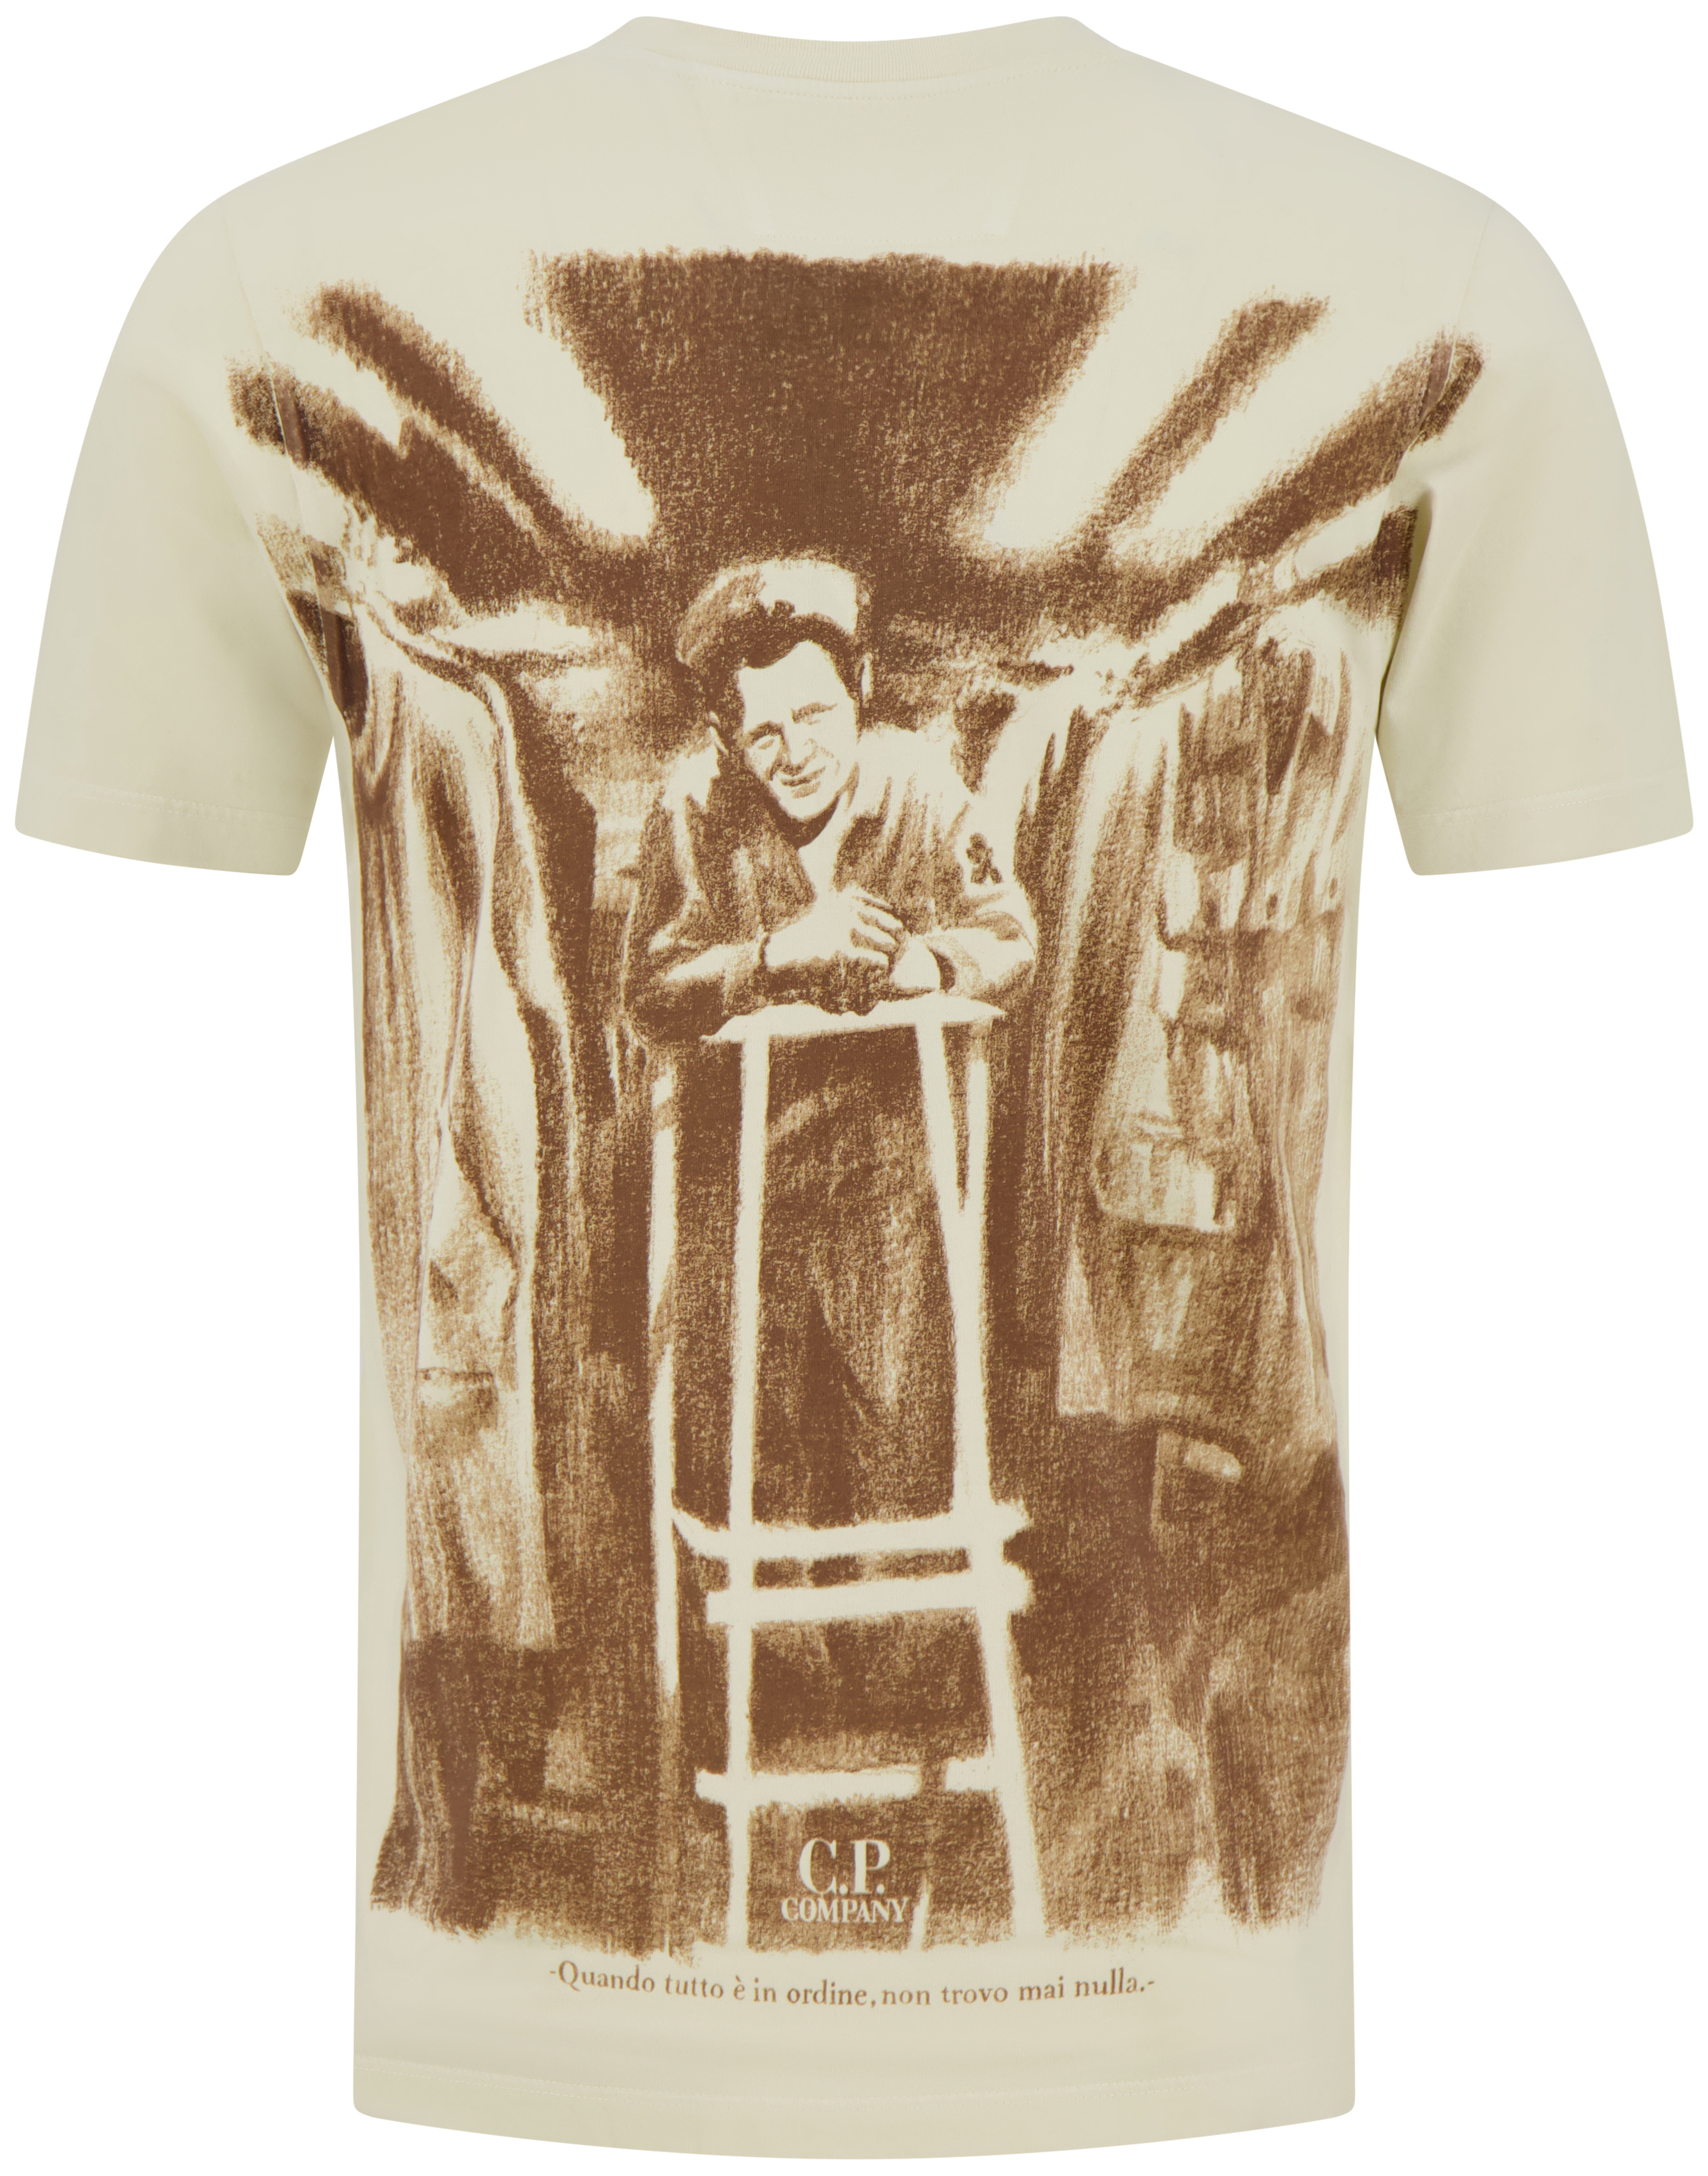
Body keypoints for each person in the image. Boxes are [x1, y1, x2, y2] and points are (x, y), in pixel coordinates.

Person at [622, 556, 1037, 1531]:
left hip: (890, 1174)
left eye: (814, 715)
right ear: (725, 737)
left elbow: (1010, 937)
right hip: (740, 1177)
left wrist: (928, 964)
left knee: (899, 1437)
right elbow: (647, 991)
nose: (796, 752)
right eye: (763, 733)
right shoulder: (691, 808)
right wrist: (773, 956)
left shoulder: (921, 784)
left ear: (861, 690)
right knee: (749, 1450)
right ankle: (761, 1619)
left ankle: (905, 1618)